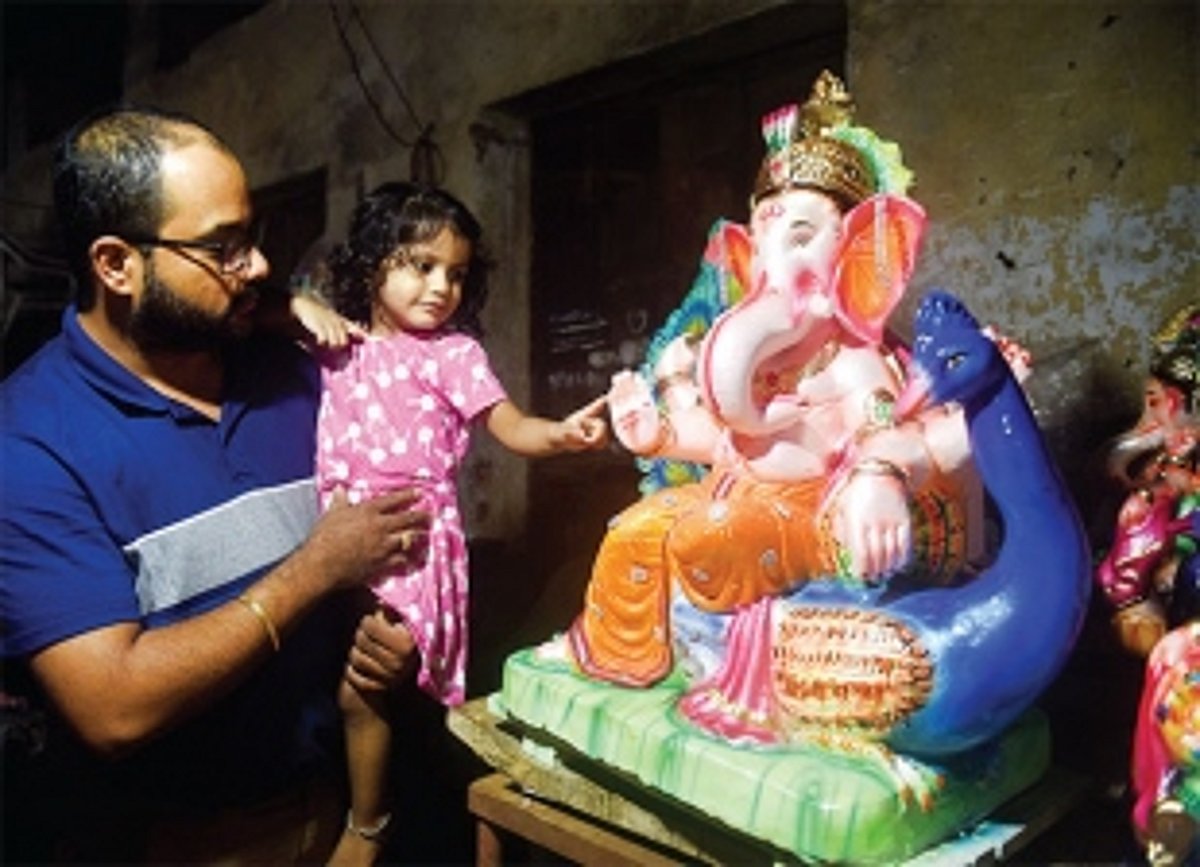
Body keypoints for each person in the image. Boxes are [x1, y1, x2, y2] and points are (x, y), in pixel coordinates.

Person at [0, 107, 430, 864]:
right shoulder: (29, 444)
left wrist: (388, 637)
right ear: (116, 265)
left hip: (338, 801)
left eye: (252, 236)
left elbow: (377, 541)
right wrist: (318, 568)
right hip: (176, 844)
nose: (258, 266)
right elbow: (114, 707)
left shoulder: (294, 374)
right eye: (223, 247)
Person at [566, 71, 985, 701]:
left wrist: (878, 478)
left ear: (858, 257)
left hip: (804, 518)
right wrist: (660, 435)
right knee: (633, 527)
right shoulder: (769, 363)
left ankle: (716, 663)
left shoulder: (851, 363)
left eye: (802, 238)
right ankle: (621, 657)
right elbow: (730, 437)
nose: (773, 265)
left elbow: (887, 434)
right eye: (763, 246)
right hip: (734, 496)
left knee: (708, 532)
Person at [314, 181, 609, 865]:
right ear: (373, 262)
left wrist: (561, 434)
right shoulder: (339, 341)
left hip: (411, 535)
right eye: (422, 265)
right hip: (339, 535)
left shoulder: (455, 354)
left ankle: (368, 826)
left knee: (364, 691)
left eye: (456, 273)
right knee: (350, 677)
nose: (441, 287)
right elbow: (264, 316)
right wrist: (298, 304)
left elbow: (512, 426)